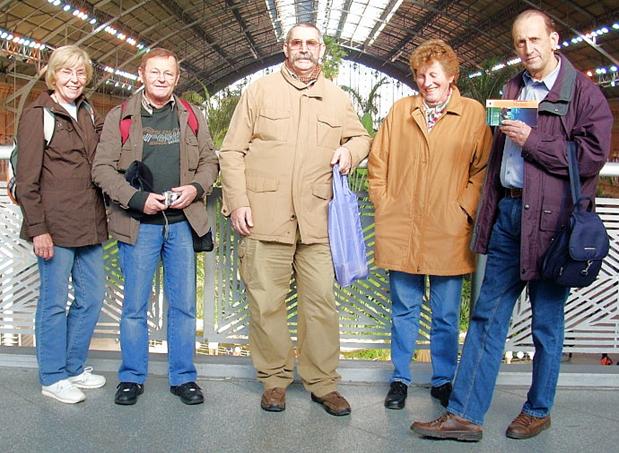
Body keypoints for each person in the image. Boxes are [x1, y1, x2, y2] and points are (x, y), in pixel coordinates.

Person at [412, 9, 612, 441]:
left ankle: (537, 410)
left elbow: (592, 158)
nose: (528, 49)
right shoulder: (513, 88)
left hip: (554, 225)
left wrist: (534, 141)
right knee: (487, 316)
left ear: (553, 39)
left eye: (535, 39)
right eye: (520, 43)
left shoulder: (583, 93)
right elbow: (500, 160)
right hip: (509, 217)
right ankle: (464, 413)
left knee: (546, 323)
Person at [219, 22, 371, 416]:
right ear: (286, 49)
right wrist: (237, 202)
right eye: (297, 43)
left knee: (321, 303)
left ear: (320, 50)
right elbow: (231, 151)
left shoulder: (336, 98)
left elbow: (361, 137)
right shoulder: (260, 92)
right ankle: (274, 380)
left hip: (317, 220)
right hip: (265, 217)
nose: (304, 49)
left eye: (311, 44)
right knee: (266, 302)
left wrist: (350, 153)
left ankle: (323, 383)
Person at [369, 39, 492, 410]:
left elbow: (482, 169)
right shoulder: (400, 111)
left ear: (452, 76)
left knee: (446, 313)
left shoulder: (473, 114)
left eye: (434, 75)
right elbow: (378, 163)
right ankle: (400, 378)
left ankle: (442, 379)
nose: (426, 82)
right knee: (403, 309)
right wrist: (384, 202)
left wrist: (462, 209)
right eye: (421, 76)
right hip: (401, 227)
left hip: (448, 230)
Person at [92, 48, 219, 406]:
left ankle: (183, 378)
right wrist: (135, 199)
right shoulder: (121, 116)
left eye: (169, 73)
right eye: (155, 72)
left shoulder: (192, 116)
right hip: (138, 225)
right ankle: (131, 377)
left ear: (177, 79)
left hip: (181, 225)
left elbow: (210, 160)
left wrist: (195, 189)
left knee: (183, 306)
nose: (162, 78)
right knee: (134, 305)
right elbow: (101, 168)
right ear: (141, 75)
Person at [16, 45, 108, 404]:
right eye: (67, 72)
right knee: (53, 303)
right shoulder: (37, 114)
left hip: (90, 224)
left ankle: (72, 367)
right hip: (54, 227)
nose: (74, 79)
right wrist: (38, 229)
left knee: (92, 298)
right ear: (53, 76)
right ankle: (52, 376)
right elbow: (26, 180)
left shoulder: (87, 112)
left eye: (80, 73)